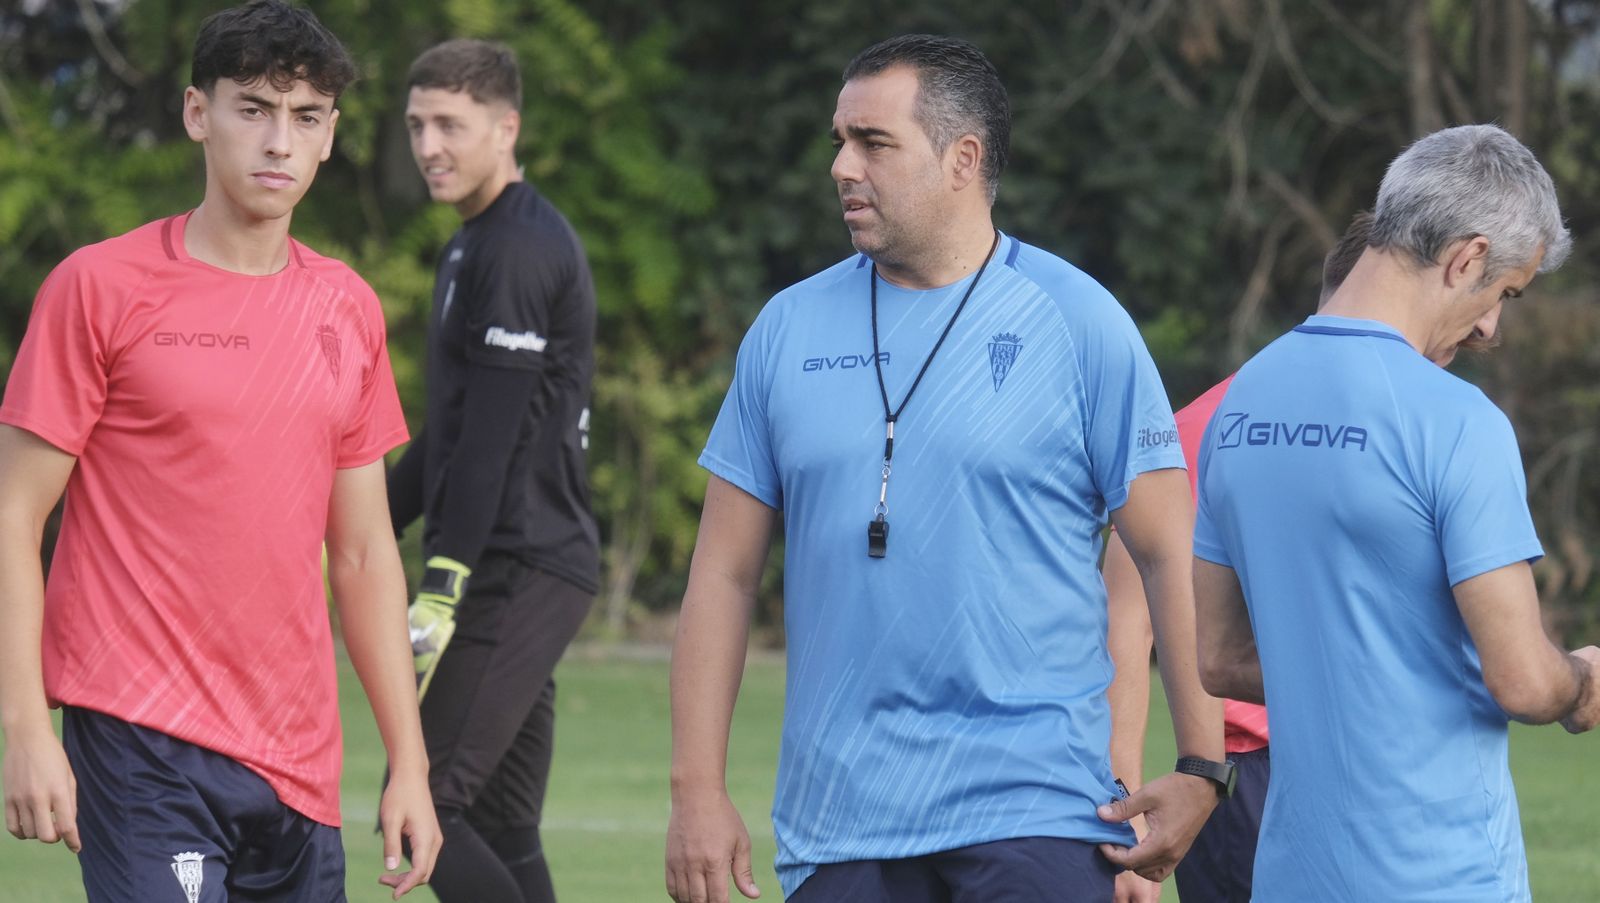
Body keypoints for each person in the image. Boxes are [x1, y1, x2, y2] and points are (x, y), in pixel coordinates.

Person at [666, 34, 1225, 903]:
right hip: (840, 821)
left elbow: (1169, 552)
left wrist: (1202, 765)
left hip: (1038, 807)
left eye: (874, 143)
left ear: (963, 158)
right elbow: (724, 572)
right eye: (839, 142)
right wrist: (696, 789)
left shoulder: (1079, 322)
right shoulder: (786, 328)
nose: (843, 166)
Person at [0, 2, 440, 901]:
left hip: (298, 761)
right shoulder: (99, 287)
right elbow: (13, 514)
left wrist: (409, 762)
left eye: (305, 117)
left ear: (330, 137)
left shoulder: (346, 307)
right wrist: (26, 730)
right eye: (254, 109)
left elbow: (361, 555)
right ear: (199, 113)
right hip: (139, 738)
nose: (279, 141)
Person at [1193, 124, 1600, 903]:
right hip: (1439, 876)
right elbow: (1519, 678)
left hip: (1290, 876)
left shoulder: (1244, 399)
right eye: (1504, 294)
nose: (1491, 328)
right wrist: (1579, 681)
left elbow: (1218, 656)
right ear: (1467, 258)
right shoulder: (1456, 419)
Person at [1103, 210, 1378, 903]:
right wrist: (1122, 818)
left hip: (1378, 764)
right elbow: (1124, 620)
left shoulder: (1411, 432)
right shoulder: (1207, 427)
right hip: (1248, 779)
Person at [386, 38, 599, 903]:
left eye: (449, 125)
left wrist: (442, 580)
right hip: (513, 562)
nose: (429, 145)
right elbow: (450, 433)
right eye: (415, 125)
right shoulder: (472, 244)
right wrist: (347, 519)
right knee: (502, 823)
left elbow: (493, 439)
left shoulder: (516, 249)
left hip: (521, 564)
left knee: (425, 801)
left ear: (506, 127)